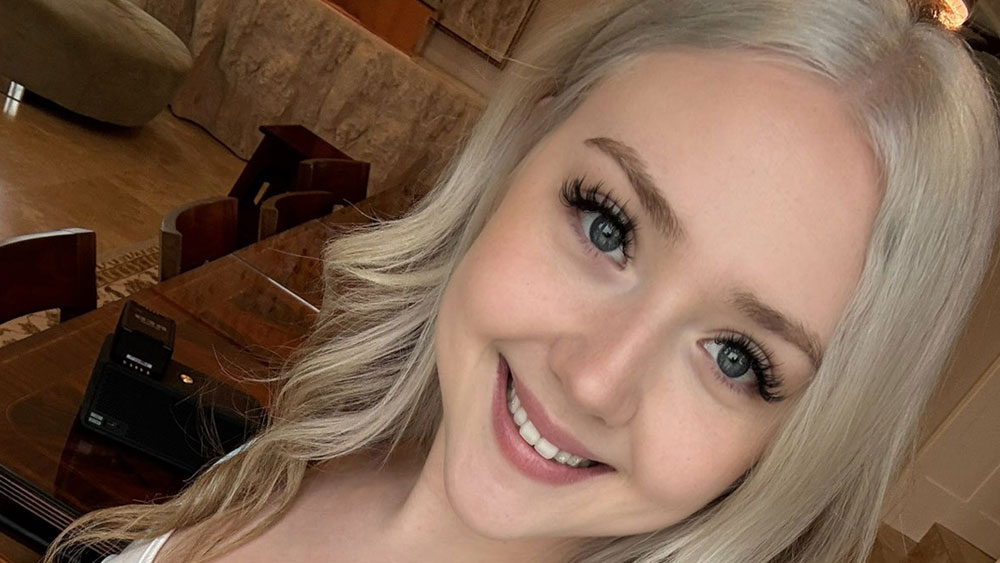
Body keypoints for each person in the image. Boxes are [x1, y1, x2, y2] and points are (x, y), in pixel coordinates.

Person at [45, 0, 1000, 561]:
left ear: (799, 442)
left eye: (738, 358)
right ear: (521, 145)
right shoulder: (331, 447)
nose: (597, 379)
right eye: (608, 225)